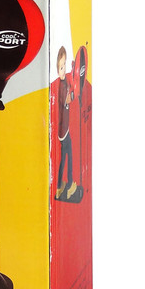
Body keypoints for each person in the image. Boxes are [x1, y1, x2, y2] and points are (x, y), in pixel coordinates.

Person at [55, 46, 78, 200]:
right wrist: (75, 93)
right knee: (67, 156)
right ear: (58, 70)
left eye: (64, 66)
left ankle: (60, 185)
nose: (63, 70)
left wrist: (73, 70)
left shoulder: (64, 83)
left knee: (65, 157)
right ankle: (68, 185)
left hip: (64, 128)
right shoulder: (62, 86)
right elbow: (68, 99)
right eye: (61, 68)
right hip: (64, 131)